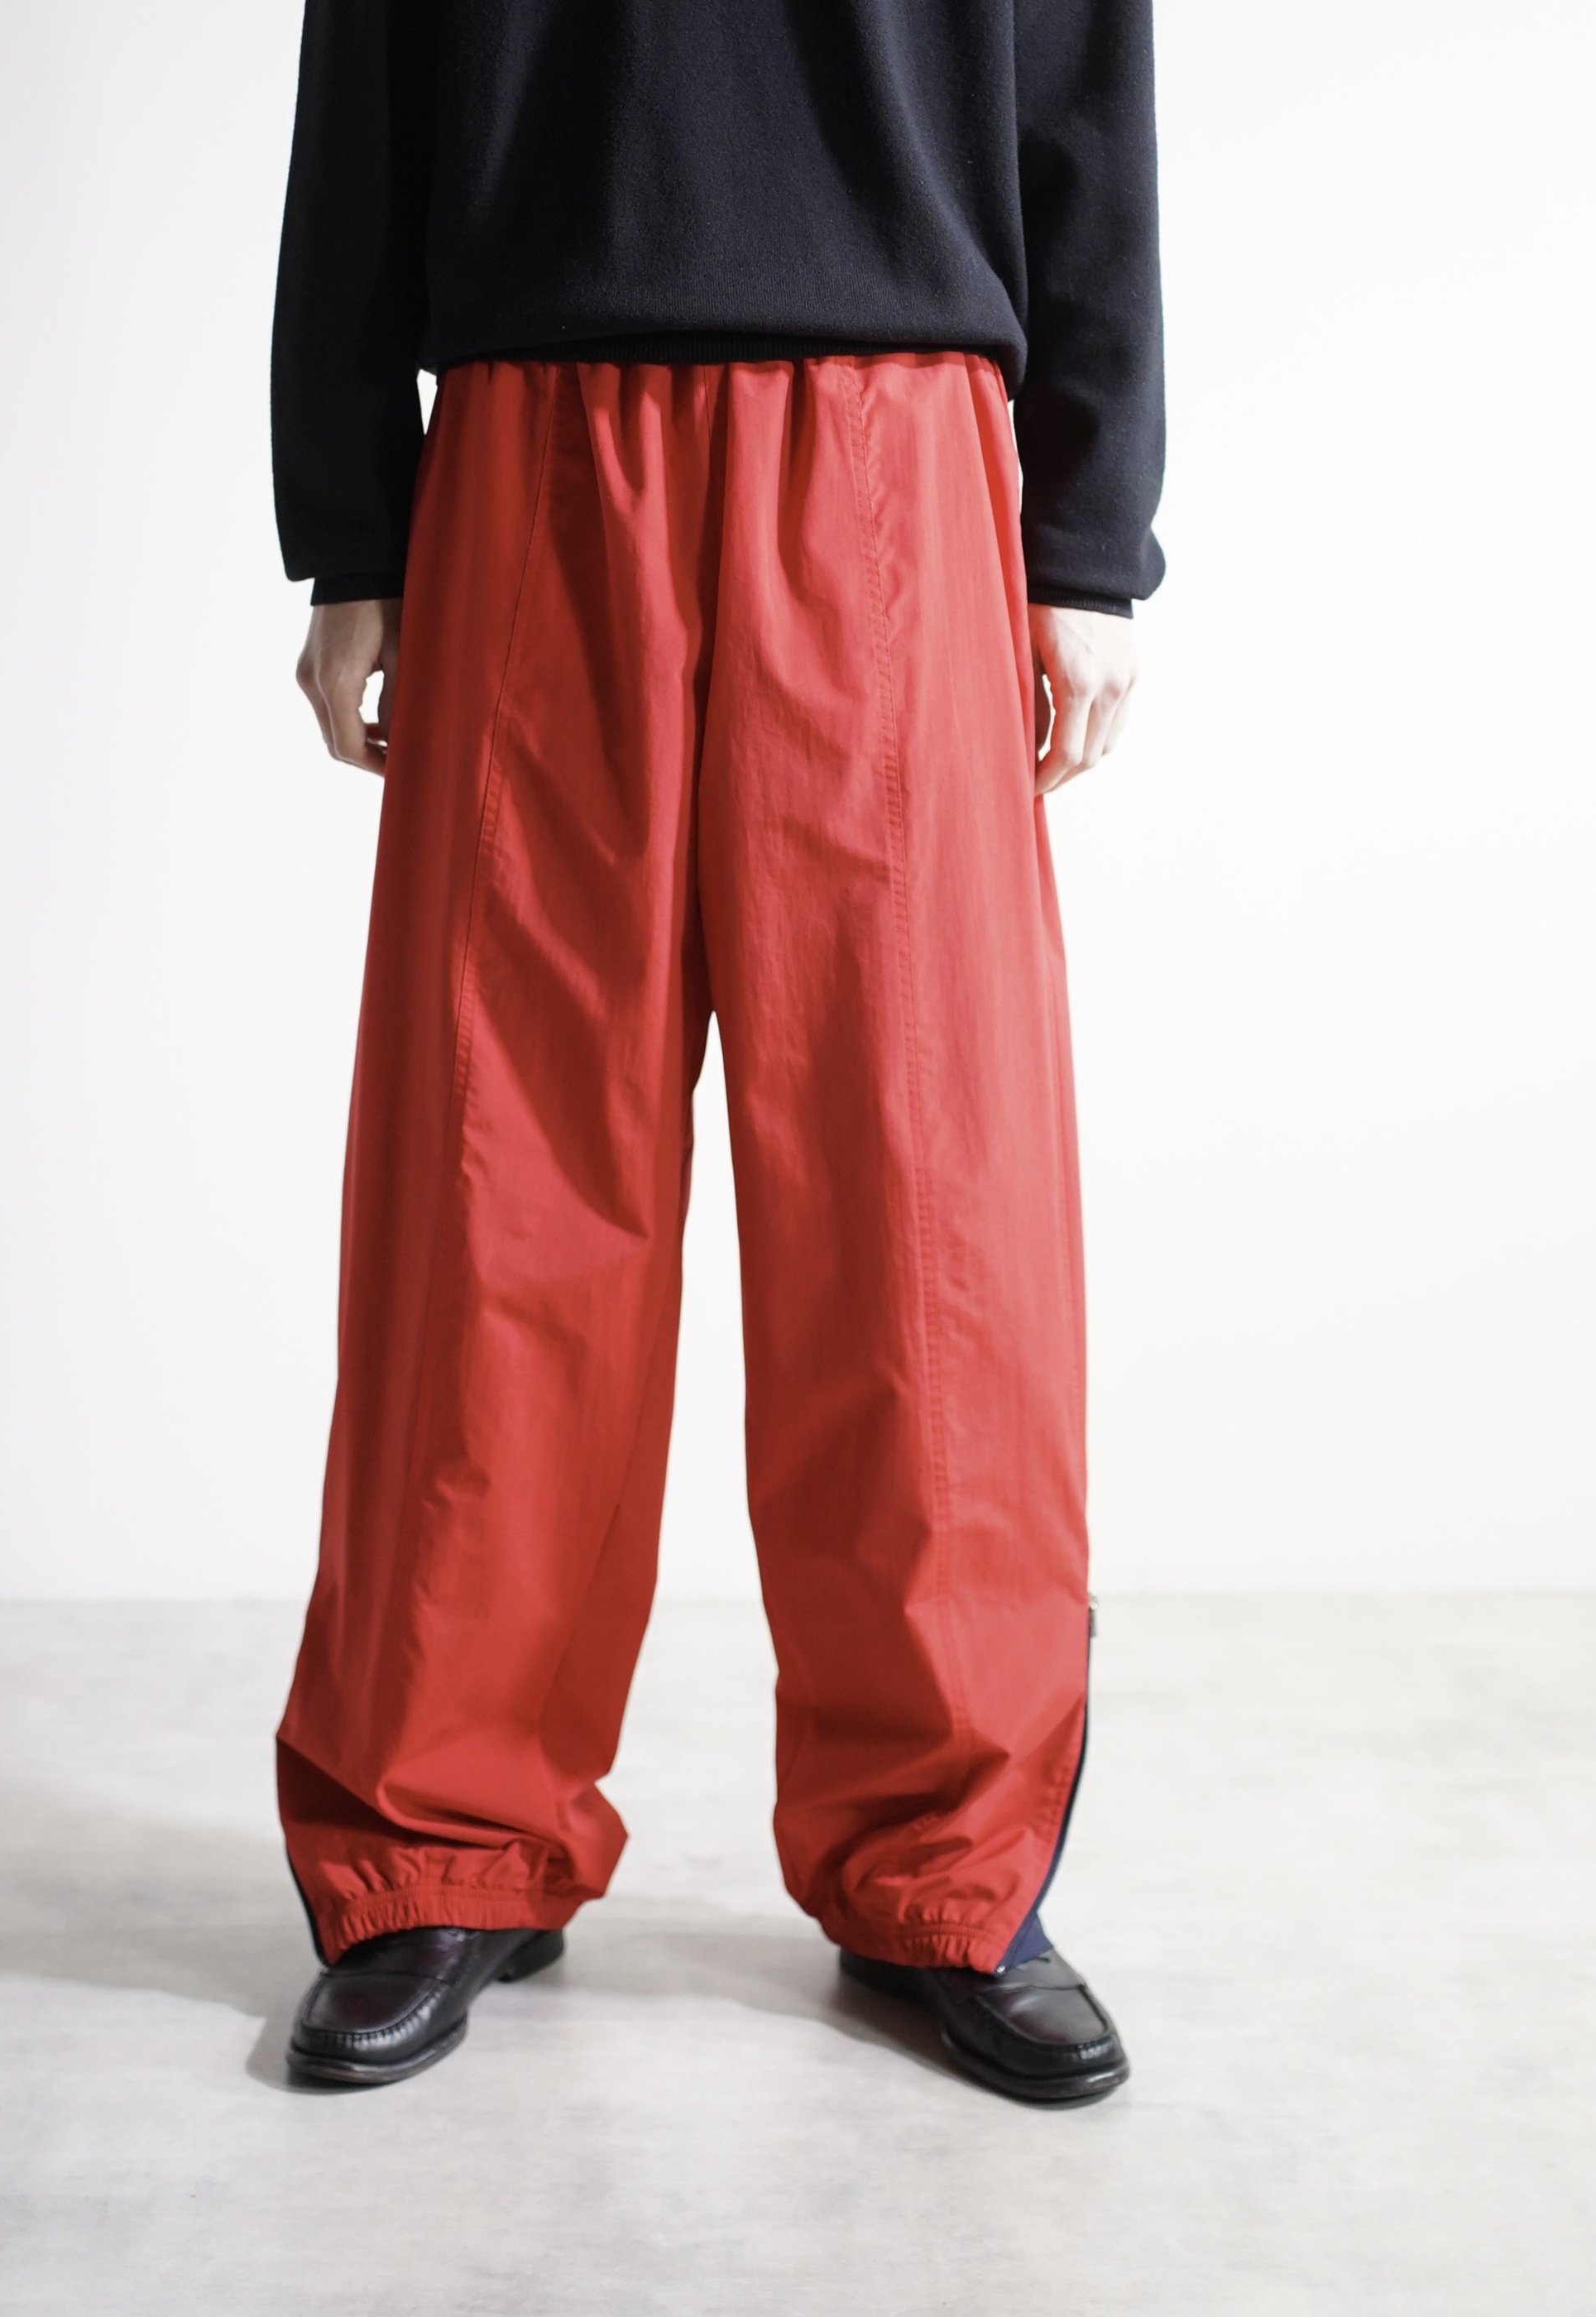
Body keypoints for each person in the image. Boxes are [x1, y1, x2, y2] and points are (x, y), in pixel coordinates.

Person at [270, 0, 1163, 2104]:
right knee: (496, 1187)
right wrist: (354, 522)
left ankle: (945, 1864)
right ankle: (440, 1843)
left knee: (918, 1207)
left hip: (895, 442)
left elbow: (1082, 89)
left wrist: (1086, 531)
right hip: (529, 436)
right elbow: (365, 89)